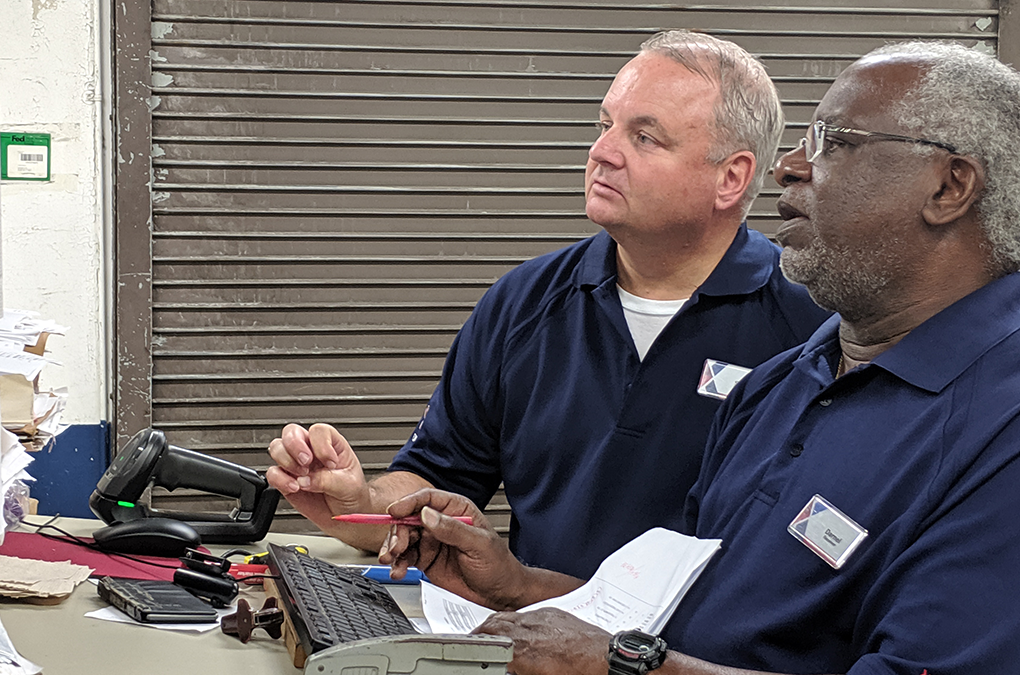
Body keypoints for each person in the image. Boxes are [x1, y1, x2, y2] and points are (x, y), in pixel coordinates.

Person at [379, 41, 1020, 675]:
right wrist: (517, 585)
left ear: (949, 186)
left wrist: (618, 665)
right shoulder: (782, 385)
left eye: (833, 143)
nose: (789, 166)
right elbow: (683, 618)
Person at [266, 31, 831, 579]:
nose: (601, 152)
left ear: (730, 178)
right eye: (605, 125)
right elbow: (439, 480)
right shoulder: (524, 303)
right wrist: (357, 500)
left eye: (644, 137)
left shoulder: (815, 327)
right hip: (538, 644)